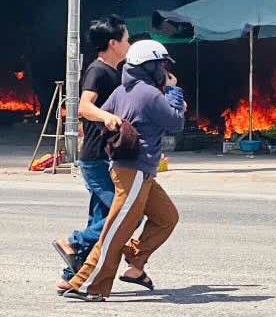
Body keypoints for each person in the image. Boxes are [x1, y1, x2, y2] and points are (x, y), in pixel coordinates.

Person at [64, 40, 186, 301]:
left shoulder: (122, 90)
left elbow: (100, 118)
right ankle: (85, 284)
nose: (164, 70)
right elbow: (175, 123)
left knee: (167, 217)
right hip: (134, 172)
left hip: (136, 171)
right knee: (115, 230)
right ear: (149, 66)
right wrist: (174, 92)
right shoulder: (151, 94)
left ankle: (135, 260)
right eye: (161, 65)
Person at [53, 15, 129, 292]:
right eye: (126, 39)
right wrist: (106, 117)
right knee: (124, 213)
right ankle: (72, 241)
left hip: (106, 156)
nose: (129, 43)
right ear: (113, 43)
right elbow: (84, 107)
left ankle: (69, 277)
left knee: (99, 219)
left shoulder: (116, 71)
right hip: (95, 158)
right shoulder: (98, 70)